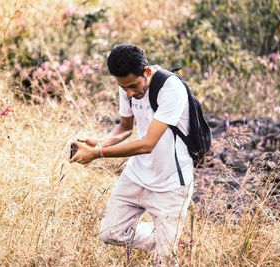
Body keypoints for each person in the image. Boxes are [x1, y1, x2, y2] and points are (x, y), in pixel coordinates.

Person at [69, 44, 194, 266]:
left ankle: (168, 244)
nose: (129, 93)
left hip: (171, 183)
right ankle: (165, 239)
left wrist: (98, 153)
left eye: (133, 86)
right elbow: (125, 127)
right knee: (110, 233)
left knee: (164, 261)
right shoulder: (127, 84)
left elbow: (147, 144)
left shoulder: (171, 88)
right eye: (122, 87)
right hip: (137, 175)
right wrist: (101, 141)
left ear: (146, 72)